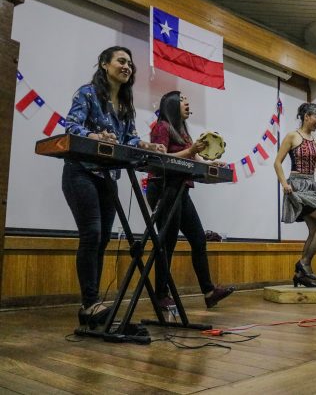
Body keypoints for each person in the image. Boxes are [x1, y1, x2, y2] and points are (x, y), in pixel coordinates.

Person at [62, 46, 166, 327]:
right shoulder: (87, 93)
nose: (127, 66)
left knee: (103, 238)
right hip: (80, 172)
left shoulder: (125, 103)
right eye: (121, 61)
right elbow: (70, 126)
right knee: (92, 234)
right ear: (104, 64)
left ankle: (90, 307)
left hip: (108, 178)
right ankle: (90, 302)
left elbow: (129, 139)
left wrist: (145, 144)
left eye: (130, 63)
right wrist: (93, 134)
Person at [146, 91, 235, 310]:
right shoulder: (162, 127)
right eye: (184, 99)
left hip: (181, 190)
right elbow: (161, 158)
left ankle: (209, 292)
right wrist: (190, 150)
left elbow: (194, 161)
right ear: (173, 104)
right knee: (167, 243)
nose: (188, 103)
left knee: (198, 239)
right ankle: (160, 295)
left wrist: (213, 165)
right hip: (164, 189)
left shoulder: (183, 132)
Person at [274, 103, 316, 288]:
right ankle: (304, 263)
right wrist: (284, 183)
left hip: (312, 185)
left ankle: (300, 274)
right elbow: (277, 163)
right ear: (306, 116)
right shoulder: (292, 136)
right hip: (297, 187)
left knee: (314, 229)